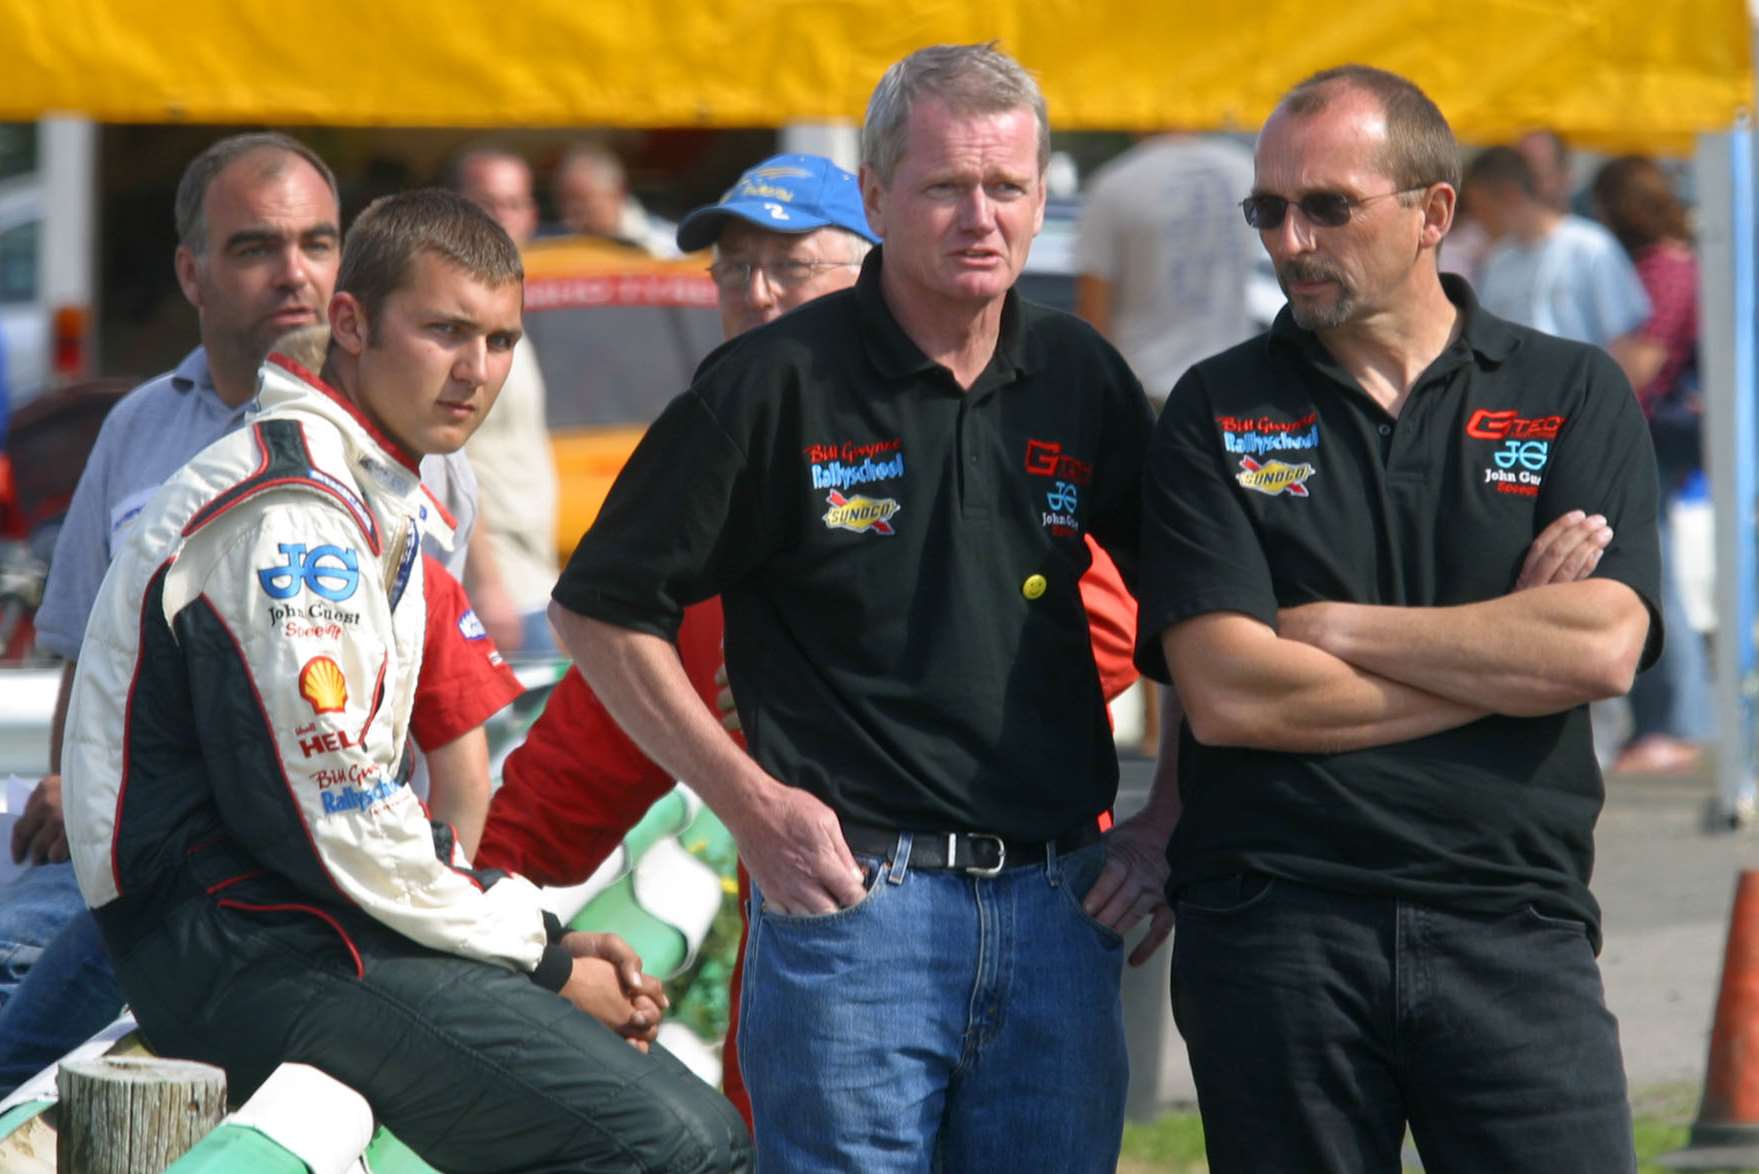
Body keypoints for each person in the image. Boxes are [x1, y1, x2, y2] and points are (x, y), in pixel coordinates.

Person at [544, 43, 1174, 1171]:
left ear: (1041, 199)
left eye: (1008, 188)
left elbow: (1197, 617)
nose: (980, 217)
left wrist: (1172, 817)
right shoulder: (771, 382)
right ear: (877, 197)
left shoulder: (1083, 376)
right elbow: (599, 610)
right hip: (854, 910)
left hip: (1059, 911)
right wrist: (747, 804)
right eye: (945, 187)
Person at [60, 189, 750, 1172]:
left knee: (701, 1134)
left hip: (297, 928)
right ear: (350, 324)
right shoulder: (295, 518)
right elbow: (340, 831)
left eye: (503, 340)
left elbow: (367, 821)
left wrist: (538, 933)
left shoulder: (372, 491)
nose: (476, 371)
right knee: (684, 1145)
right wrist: (545, 955)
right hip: (242, 947)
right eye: (444, 331)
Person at [1136, 65, 1660, 1173]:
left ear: (1433, 214)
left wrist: (1327, 627)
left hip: (1510, 917)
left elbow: (1600, 646)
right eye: (1266, 209)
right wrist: (1503, 647)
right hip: (1277, 925)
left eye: (1327, 206)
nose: (1289, 238)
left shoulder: (1568, 390)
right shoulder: (1216, 407)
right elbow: (1229, 692)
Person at [0, 136, 517, 1095]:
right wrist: (75, 790)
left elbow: (435, 708)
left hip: (304, 865)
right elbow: (86, 650)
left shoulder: (420, 449)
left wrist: (438, 899)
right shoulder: (137, 425)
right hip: (138, 839)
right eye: (255, 248)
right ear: (190, 273)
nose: (295, 273)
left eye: (319, 243)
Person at [1591, 155, 1710, 774]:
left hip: (1651, 433)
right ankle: (1669, 722)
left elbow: (1644, 360)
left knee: (1656, 580)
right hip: (1655, 430)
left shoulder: (1666, 267)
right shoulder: (1665, 262)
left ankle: (1674, 724)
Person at [448, 144, 561, 654]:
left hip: (537, 582)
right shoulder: (457, 317)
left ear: (532, 217)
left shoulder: (506, 310)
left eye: (513, 204)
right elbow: (446, 455)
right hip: (498, 592)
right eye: (487, 203)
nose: (502, 219)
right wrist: (487, 584)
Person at [1074, 133, 1258, 404]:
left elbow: (1093, 319)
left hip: (1147, 393)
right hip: (1235, 390)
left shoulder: (1116, 183)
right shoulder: (1247, 172)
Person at [552, 140, 679, 257]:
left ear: (619, 192)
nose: (569, 219)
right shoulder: (554, 250)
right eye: (563, 202)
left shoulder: (668, 248)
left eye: (583, 203)